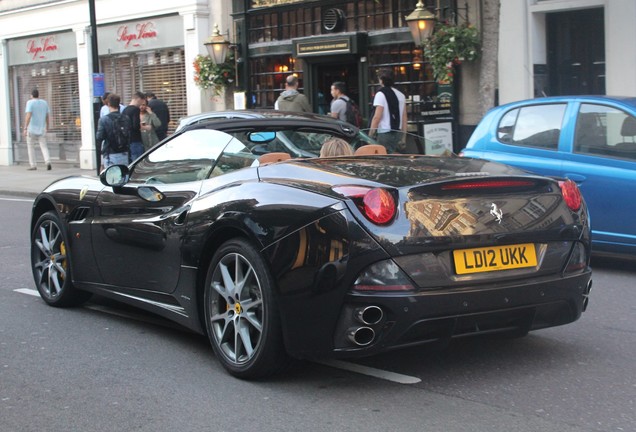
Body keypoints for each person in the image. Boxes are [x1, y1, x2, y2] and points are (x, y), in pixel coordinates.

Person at [369, 68, 408, 153]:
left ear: (381, 80)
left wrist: (370, 134)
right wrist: (404, 137)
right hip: (398, 132)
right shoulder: (401, 95)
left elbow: (377, 117)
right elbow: (404, 118)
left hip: (384, 133)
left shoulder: (380, 94)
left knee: (383, 159)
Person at [96, 94, 130, 170]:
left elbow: (99, 137)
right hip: (124, 152)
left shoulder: (104, 119)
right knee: (123, 176)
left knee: (112, 178)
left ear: (108, 104)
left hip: (110, 153)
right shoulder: (126, 118)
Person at [23, 89, 51, 171]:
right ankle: (48, 161)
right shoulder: (44, 103)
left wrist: (25, 128)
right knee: (44, 146)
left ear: (31, 96)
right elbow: (47, 116)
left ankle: (33, 165)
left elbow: (28, 116)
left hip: (31, 129)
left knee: (30, 147)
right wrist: (47, 126)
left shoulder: (30, 102)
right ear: (38, 95)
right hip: (41, 129)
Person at [122, 91, 146, 161]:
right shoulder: (135, 110)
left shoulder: (125, 110)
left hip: (128, 139)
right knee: (138, 160)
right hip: (136, 139)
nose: (141, 104)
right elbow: (136, 126)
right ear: (138, 99)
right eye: (141, 101)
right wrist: (141, 125)